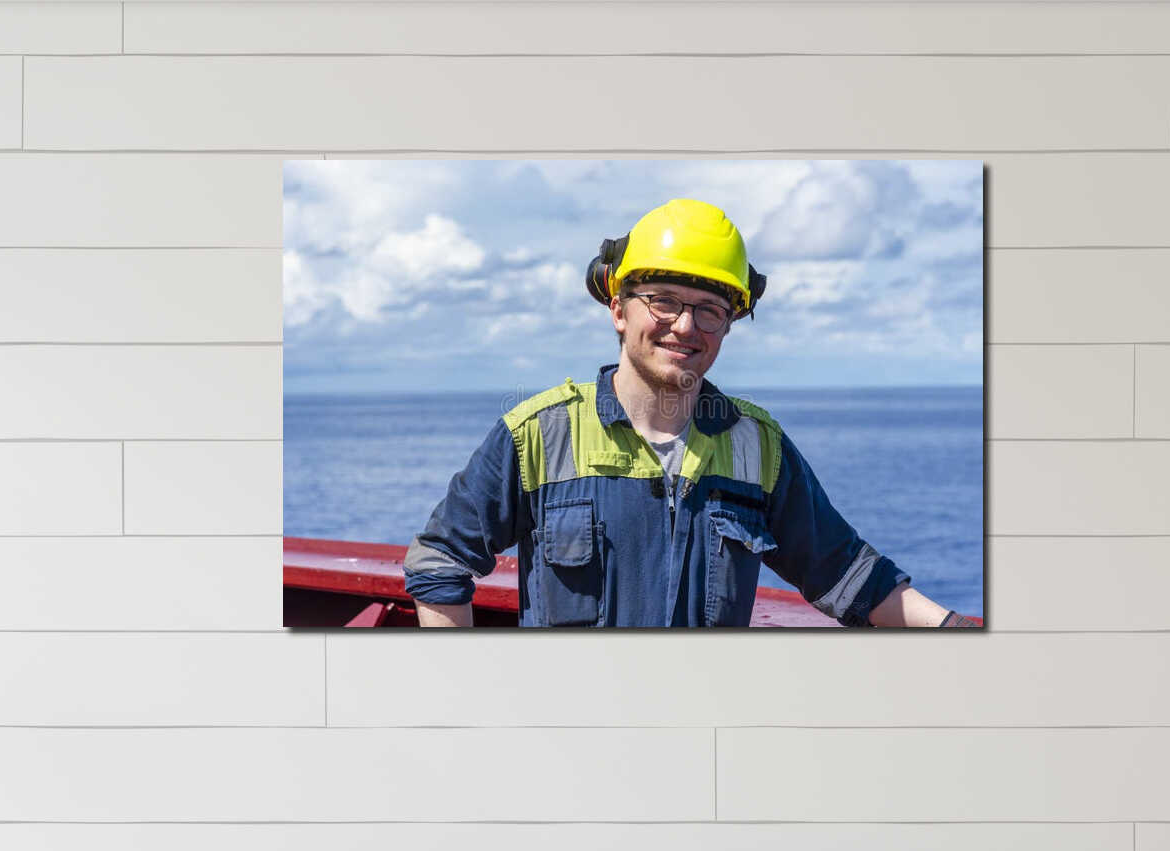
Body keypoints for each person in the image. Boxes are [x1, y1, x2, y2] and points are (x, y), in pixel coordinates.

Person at [403, 198, 976, 628]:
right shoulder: (540, 434)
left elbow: (851, 577)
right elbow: (440, 560)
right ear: (618, 309)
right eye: (664, 301)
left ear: (729, 325)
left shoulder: (758, 447)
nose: (686, 326)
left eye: (710, 310)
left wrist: (958, 630)